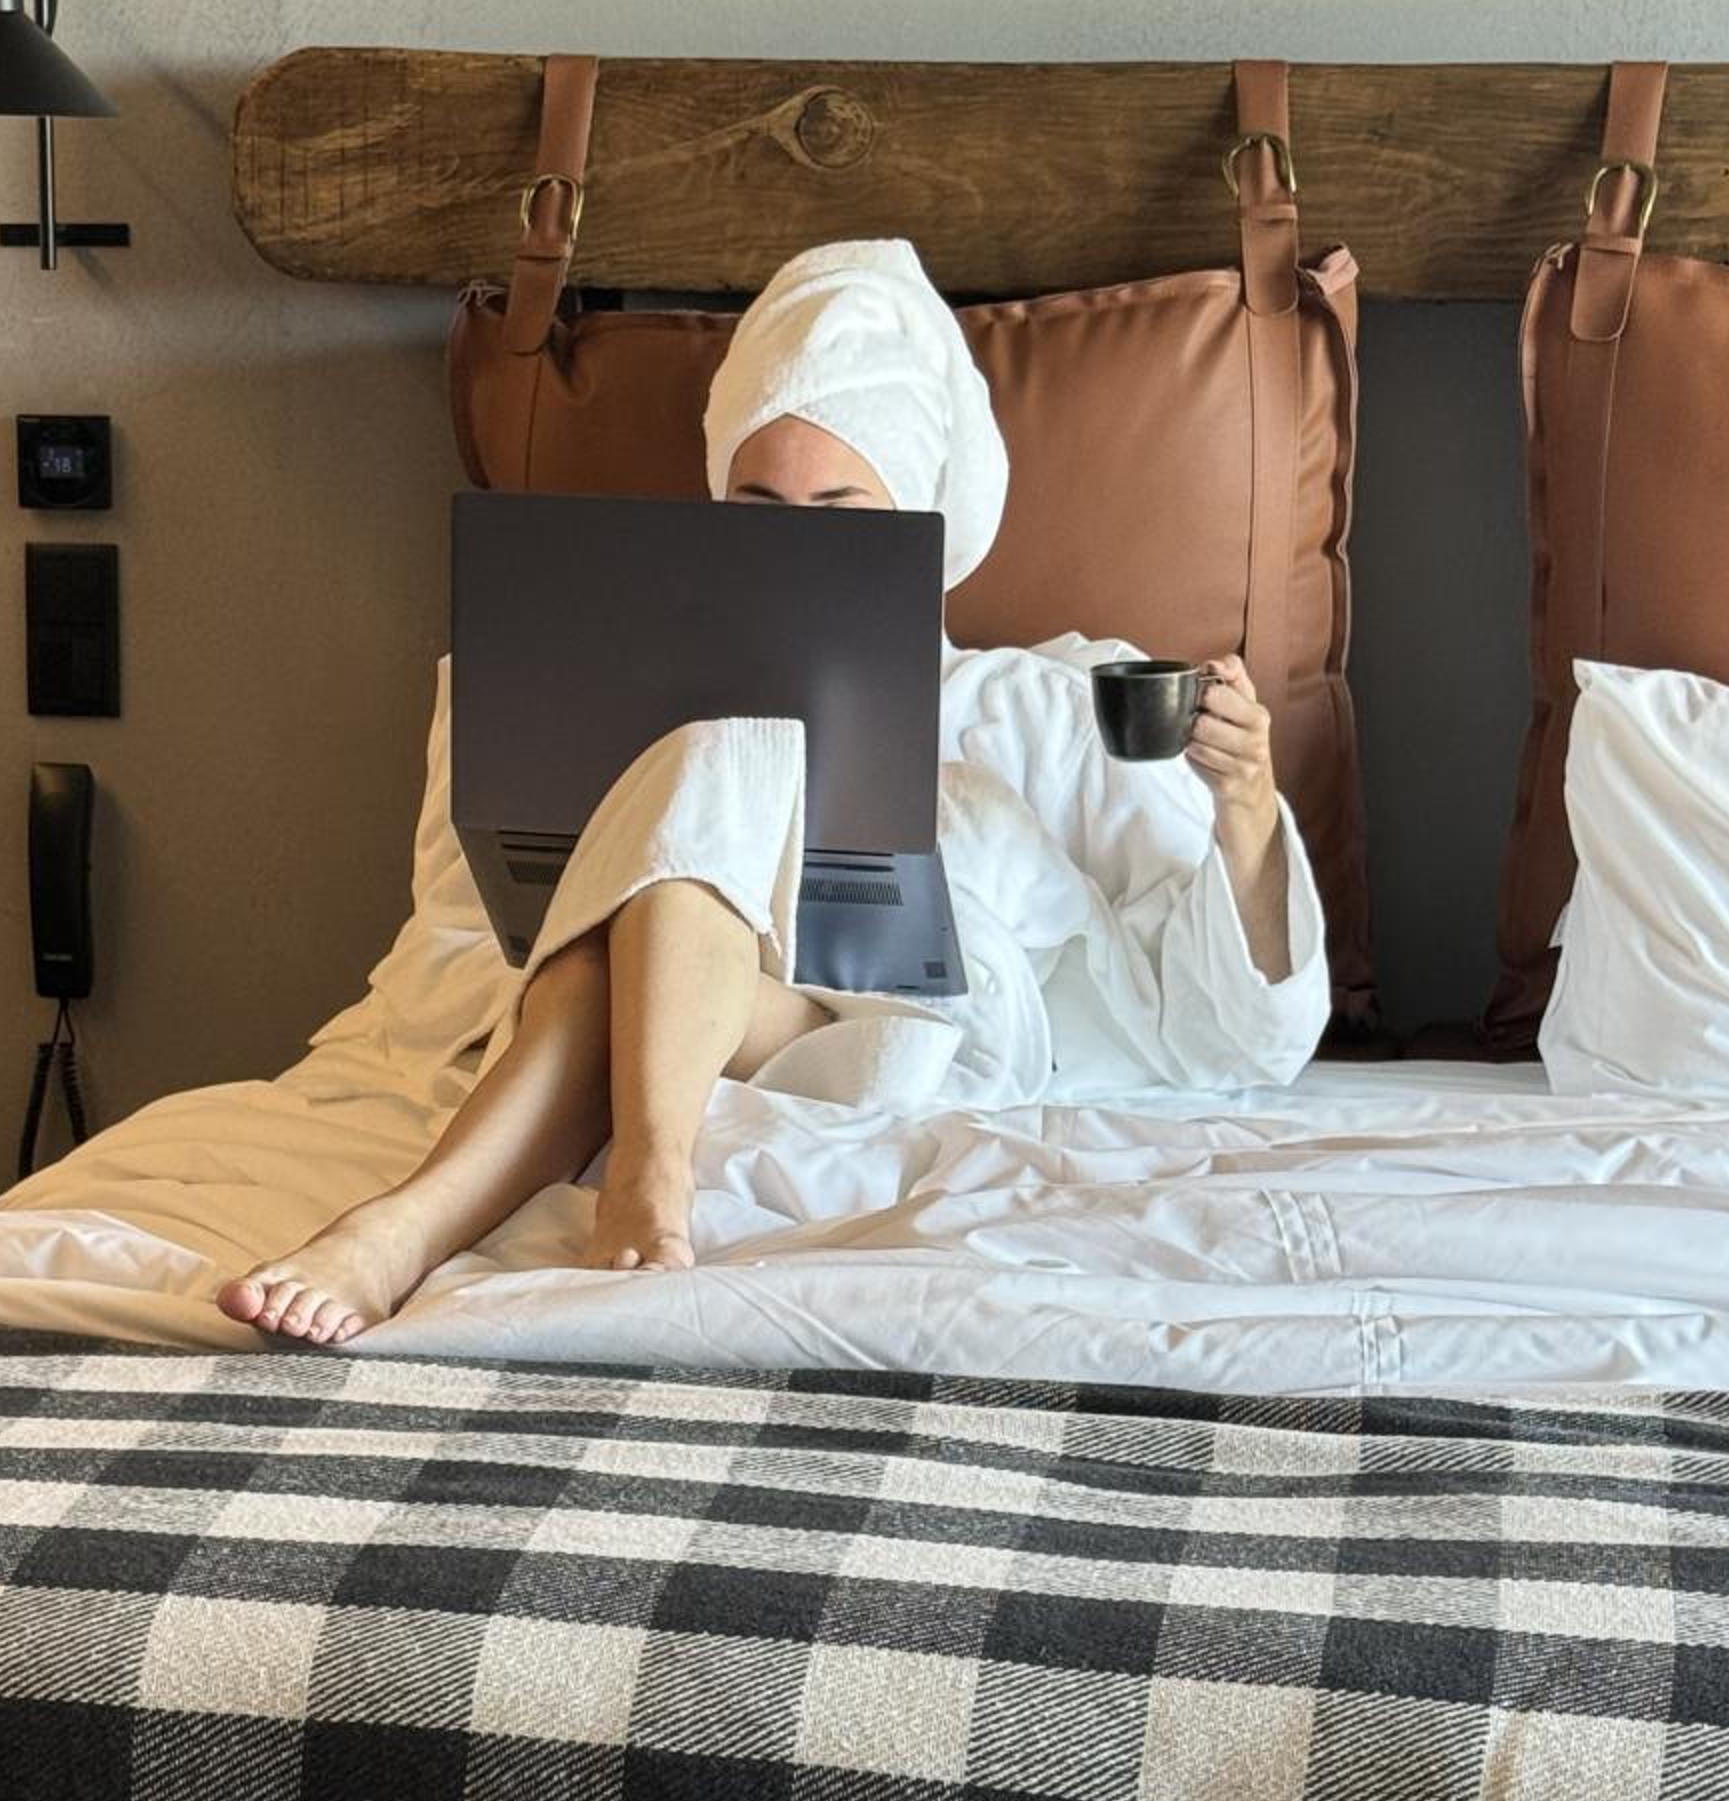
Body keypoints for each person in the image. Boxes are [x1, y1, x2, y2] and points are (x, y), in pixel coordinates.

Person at [219, 237, 1329, 1345]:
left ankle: (573, 1185)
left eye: (841, 510)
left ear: (918, 513)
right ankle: (444, 1218)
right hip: (711, 1015)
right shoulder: (589, 679)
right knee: (617, 921)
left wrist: (1241, 806)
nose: (798, 543)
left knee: (708, 761)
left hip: (913, 1040)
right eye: (760, 506)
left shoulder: (1045, 706)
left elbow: (1238, 1039)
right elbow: (461, 954)